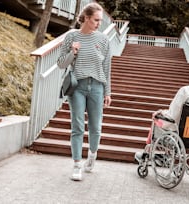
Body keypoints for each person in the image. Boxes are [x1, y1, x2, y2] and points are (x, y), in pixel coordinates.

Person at [57, 2, 111, 181]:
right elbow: (60, 64)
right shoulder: (71, 36)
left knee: (95, 127)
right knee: (77, 126)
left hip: (96, 87)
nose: (99, 24)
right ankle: (77, 165)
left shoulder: (103, 40)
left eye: (100, 20)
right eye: (96, 20)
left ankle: (92, 157)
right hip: (77, 87)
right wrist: (73, 52)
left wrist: (107, 92)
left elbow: (106, 68)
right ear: (86, 18)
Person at [135, 62, 189, 161]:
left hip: (181, 133)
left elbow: (173, 115)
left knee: (156, 119)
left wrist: (161, 112)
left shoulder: (186, 91)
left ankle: (146, 154)